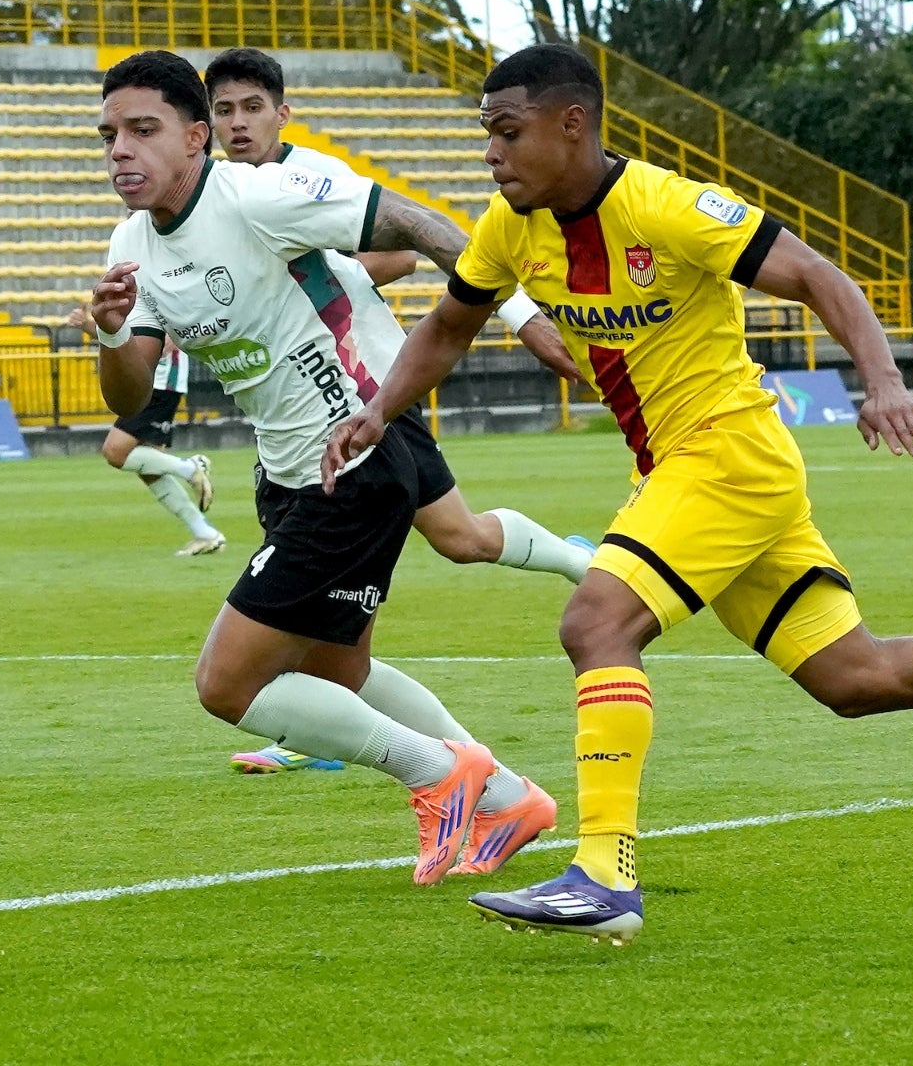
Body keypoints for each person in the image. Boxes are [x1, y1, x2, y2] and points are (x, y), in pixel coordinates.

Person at [323, 45, 913, 942]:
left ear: (571, 123)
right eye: (485, 137)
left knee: (595, 624)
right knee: (853, 679)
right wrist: (380, 411)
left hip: (727, 456)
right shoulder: (512, 226)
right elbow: (448, 327)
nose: (492, 155)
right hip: (688, 472)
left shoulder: (667, 205)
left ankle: (603, 874)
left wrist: (882, 380)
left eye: (507, 133)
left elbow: (821, 276)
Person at [93, 50, 558, 883]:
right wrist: (111, 330)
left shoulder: (261, 196)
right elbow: (128, 397)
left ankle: (441, 775)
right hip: (289, 475)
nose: (120, 150)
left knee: (226, 685)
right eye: (108, 136)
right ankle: (509, 796)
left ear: (196, 137)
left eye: (142, 130)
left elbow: (419, 228)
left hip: (354, 462)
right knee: (336, 672)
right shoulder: (133, 243)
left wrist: (524, 318)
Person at [204, 46, 597, 775]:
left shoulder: (302, 178)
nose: (238, 123)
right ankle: (347, 733)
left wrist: (524, 319)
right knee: (456, 540)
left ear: (282, 114)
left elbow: (418, 244)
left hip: (365, 407)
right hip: (301, 429)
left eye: (252, 107)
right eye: (223, 110)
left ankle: (351, 737)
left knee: (390, 580)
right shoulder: (215, 197)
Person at [66, 306, 223, 556]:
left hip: (159, 383)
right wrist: (86, 324)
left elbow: (168, 340)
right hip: (148, 383)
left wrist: (127, 360)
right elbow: (122, 336)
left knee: (115, 452)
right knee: (150, 469)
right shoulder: (136, 298)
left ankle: (191, 468)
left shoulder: (159, 292)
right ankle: (205, 533)